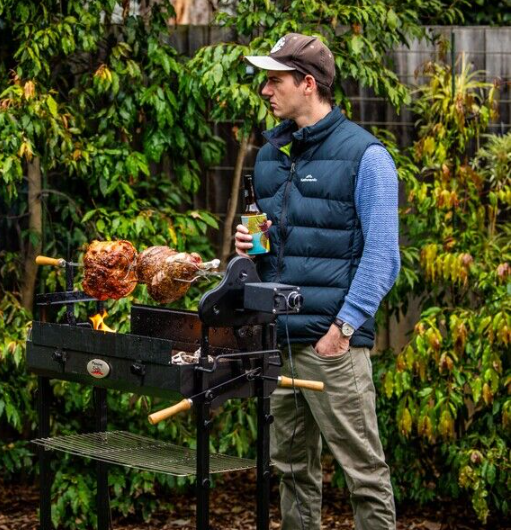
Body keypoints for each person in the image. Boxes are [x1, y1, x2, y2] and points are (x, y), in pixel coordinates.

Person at [235, 33, 400, 529]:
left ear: (308, 84)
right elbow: (278, 243)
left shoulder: (365, 156)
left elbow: (383, 255)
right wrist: (252, 248)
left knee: (364, 474)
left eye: (274, 79)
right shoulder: (271, 154)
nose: (265, 90)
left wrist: (343, 330)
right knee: (290, 471)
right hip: (277, 340)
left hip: (331, 346)